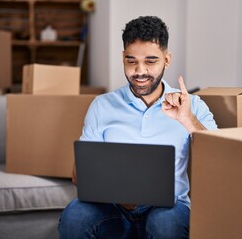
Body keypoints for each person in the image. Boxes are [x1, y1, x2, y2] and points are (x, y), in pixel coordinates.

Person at [58, 15, 217, 239]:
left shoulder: (192, 106)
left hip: (168, 208)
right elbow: (79, 174)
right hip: (113, 209)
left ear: (167, 59)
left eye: (151, 61)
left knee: (165, 224)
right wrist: (114, 191)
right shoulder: (102, 105)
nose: (140, 71)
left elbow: (220, 158)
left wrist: (187, 119)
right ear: (123, 57)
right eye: (131, 61)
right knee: (75, 214)